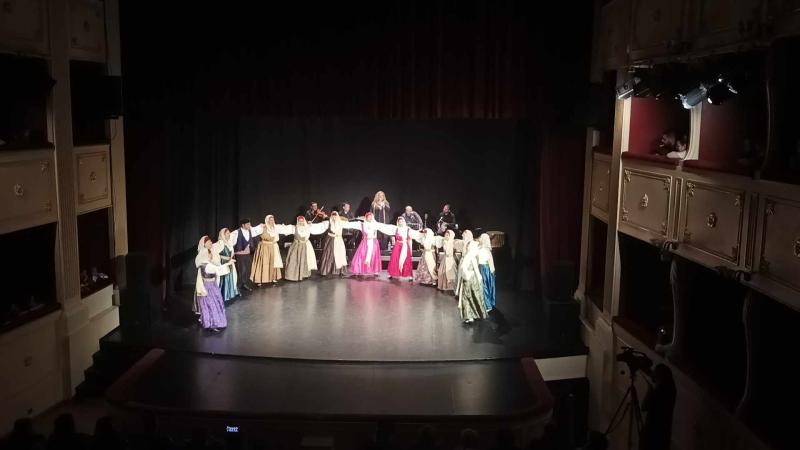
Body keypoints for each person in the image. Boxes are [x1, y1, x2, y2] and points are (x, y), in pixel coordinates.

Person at [194, 236, 230, 332]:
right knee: (211, 304)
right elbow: (217, 270)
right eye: (209, 255)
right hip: (207, 286)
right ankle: (213, 323)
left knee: (214, 303)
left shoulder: (208, 263)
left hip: (212, 284)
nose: (210, 256)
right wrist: (228, 264)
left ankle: (209, 321)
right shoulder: (205, 264)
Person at [282, 216, 329, 281]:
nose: (301, 222)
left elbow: (320, 226)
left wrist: (327, 221)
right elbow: (282, 228)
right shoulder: (294, 228)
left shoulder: (308, 227)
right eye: (299, 221)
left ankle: (304, 274)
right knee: (293, 259)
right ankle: (292, 275)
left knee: (305, 260)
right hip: (296, 246)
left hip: (305, 245)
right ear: (298, 221)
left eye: (302, 221)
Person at [456, 240, 488, 324]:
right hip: (469, 278)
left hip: (470, 279)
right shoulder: (469, 255)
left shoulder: (471, 256)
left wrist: (478, 277)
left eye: (469, 246)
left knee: (469, 297)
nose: (467, 247)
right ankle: (471, 315)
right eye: (467, 246)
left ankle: (471, 316)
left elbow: (475, 269)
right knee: (470, 297)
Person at [250, 214, 286, 286]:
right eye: (270, 220)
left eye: (273, 220)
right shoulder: (263, 227)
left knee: (273, 263)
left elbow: (286, 228)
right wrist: (252, 227)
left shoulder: (275, 227)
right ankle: (259, 279)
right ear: (267, 221)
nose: (272, 221)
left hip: (273, 247)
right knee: (263, 263)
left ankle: (273, 278)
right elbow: (253, 231)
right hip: (264, 247)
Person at [344, 212, 383, 276]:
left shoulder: (375, 225)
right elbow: (351, 225)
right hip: (365, 242)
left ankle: (374, 270)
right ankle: (358, 269)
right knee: (361, 255)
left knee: (373, 256)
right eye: (369, 217)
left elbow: (376, 234)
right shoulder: (362, 225)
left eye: (371, 217)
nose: (370, 218)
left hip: (373, 242)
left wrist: (372, 237)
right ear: (366, 218)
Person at [230, 218, 264, 292]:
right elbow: (230, 242)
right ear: (243, 225)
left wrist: (261, 226)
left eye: (249, 224)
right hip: (240, 254)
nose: (249, 225)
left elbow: (256, 229)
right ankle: (238, 287)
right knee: (241, 270)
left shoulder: (250, 231)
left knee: (248, 269)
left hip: (247, 254)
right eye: (248, 224)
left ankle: (244, 284)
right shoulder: (236, 232)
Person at [212, 228, 239, 303]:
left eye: (229, 233)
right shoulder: (220, 243)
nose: (229, 235)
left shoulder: (229, 242)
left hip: (229, 262)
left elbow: (231, 253)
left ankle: (230, 293)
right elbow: (213, 249)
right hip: (223, 262)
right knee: (225, 278)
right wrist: (218, 260)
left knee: (231, 277)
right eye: (227, 233)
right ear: (223, 235)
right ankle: (224, 294)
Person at [319, 211, 349, 277]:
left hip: (339, 240)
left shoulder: (341, 222)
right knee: (329, 254)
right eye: (333, 216)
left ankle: (341, 271)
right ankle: (325, 271)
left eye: (335, 216)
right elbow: (319, 226)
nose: (334, 217)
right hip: (330, 240)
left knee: (340, 255)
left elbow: (349, 222)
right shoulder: (328, 223)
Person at [477, 233, 496, 312]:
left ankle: (488, 305)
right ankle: (484, 303)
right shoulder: (479, 248)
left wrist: (492, 271)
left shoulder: (486, 250)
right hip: (481, 268)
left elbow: (490, 262)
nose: (480, 239)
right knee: (482, 286)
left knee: (485, 286)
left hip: (485, 269)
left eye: (481, 238)